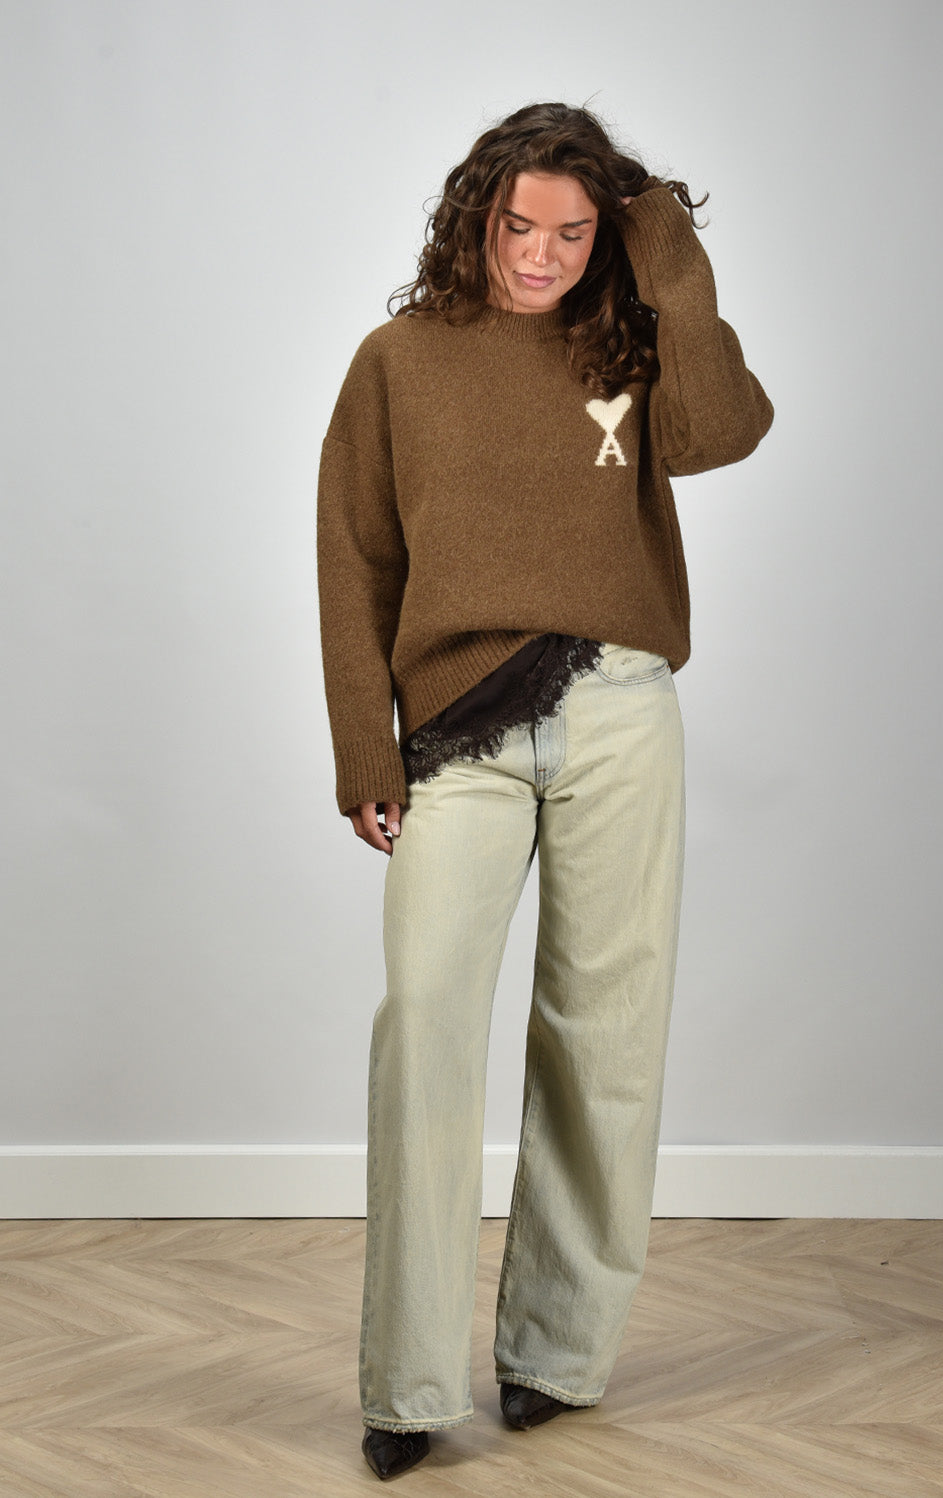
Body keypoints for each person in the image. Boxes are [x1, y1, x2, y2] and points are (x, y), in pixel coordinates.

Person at [316, 100, 773, 1481]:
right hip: (459, 730)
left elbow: (726, 431)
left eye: (574, 234)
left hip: (622, 710)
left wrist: (671, 257)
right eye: (520, 226)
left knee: (603, 1041)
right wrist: (364, 746)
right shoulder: (399, 360)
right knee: (425, 1025)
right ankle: (407, 1383)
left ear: (605, 237)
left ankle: (555, 1356)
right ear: (478, 216)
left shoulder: (630, 346)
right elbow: (355, 557)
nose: (540, 254)